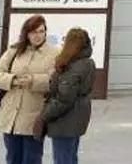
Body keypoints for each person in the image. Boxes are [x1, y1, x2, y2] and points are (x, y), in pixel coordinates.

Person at [0, 15, 58, 164]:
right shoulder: (15, 50)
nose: (38, 36)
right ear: (26, 33)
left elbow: (55, 81)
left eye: (41, 31)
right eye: (34, 32)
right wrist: (13, 80)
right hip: (11, 117)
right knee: (12, 158)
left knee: (32, 159)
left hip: (34, 117)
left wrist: (34, 80)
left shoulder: (54, 53)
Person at [36, 28, 95, 164]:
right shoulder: (87, 62)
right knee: (71, 157)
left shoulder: (73, 67)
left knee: (63, 159)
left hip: (65, 122)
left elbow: (64, 99)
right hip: (78, 118)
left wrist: (44, 116)